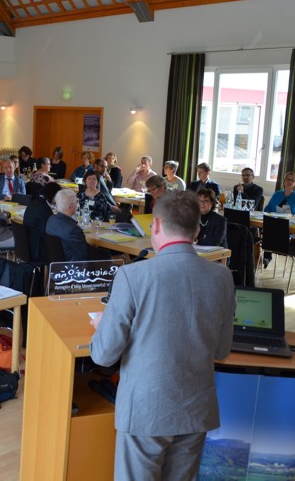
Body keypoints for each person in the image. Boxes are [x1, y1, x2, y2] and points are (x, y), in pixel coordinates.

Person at [90, 191, 235, 481]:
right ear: (197, 230)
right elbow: (221, 350)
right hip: (196, 410)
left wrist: (104, 325)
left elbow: (103, 355)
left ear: (155, 224)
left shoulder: (132, 276)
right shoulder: (222, 277)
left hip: (146, 410)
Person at [46, 189, 88, 261]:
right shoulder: (74, 230)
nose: (77, 205)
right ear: (71, 206)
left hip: (54, 264)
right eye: (76, 202)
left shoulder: (51, 220)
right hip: (72, 266)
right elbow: (83, 256)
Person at [24, 182, 60, 262]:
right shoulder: (45, 209)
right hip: (39, 250)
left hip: (28, 246)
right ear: (53, 195)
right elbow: (48, 233)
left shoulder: (34, 203)